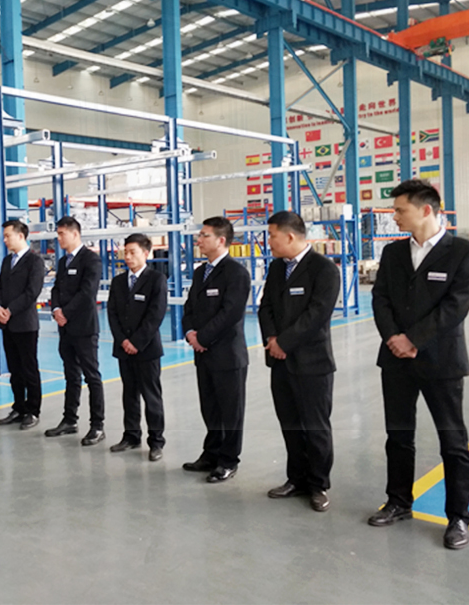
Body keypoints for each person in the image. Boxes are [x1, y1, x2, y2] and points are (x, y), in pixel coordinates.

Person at [369, 179, 469, 550]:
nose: (395, 217)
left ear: (426, 210)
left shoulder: (464, 253)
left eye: (400, 210)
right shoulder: (393, 253)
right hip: (396, 360)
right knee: (398, 436)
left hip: (441, 362)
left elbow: (455, 307)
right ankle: (399, 501)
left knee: (453, 442)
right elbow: (380, 299)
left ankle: (458, 517)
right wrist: (394, 338)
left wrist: (413, 340)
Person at [258, 211, 340, 512]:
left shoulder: (324, 269)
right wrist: (271, 339)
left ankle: (318, 484)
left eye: (272, 236)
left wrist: (284, 342)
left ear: (290, 236)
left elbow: (317, 315)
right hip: (280, 362)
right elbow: (265, 306)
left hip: (312, 363)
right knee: (290, 424)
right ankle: (296, 479)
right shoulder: (277, 268)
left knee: (315, 427)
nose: (268, 242)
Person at [182, 216, 251, 483]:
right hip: (203, 354)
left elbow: (230, 313)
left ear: (221, 240)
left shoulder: (236, 273)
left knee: (230, 412)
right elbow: (190, 307)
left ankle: (228, 460)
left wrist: (203, 337)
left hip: (227, 355)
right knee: (210, 408)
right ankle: (211, 454)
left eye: (204, 236)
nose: (198, 240)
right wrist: (190, 332)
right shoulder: (201, 272)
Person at [107, 234, 168, 461]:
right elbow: (112, 313)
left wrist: (137, 342)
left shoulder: (156, 279)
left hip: (147, 349)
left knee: (151, 396)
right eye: (126, 252)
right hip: (124, 349)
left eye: (133, 252)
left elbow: (155, 314)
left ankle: (156, 441)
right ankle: (131, 436)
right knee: (129, 394)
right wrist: (123, 340)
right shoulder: (118, 282)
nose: (128, 257)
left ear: (146, 253)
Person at [45, 216, 104, 446]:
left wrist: (65, 312)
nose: (59, 238)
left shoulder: (91, 259)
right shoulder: (63, 262)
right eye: (58, 234)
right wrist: (56, 309)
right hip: (65, 328)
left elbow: (87, 292)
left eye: (62, 234)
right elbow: (56, 289)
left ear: (75, 234)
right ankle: (70, 419)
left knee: (92, 376)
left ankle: (97, 426)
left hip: (84, 328)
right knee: (71, 375)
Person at [0, 220, 45, 430]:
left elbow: (32, 292)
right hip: (7, 324)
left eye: (8, 236)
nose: (5, 240)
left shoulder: (35, 262)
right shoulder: (7, 261)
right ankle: (19, 407)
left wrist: (10, 310)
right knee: (14, 369)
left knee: (28, 368)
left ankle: (33, 410)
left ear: (21, 236)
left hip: (25, 324)